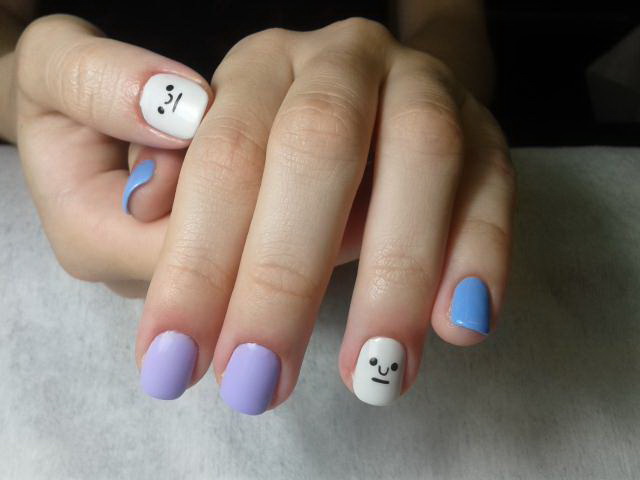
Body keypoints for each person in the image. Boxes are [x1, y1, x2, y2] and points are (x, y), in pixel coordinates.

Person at [0, 0, 515, 414]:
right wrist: (23, 86)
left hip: (368, 133)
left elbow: (449, 22)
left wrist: (426, 100)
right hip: (124, 145)